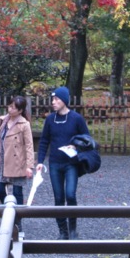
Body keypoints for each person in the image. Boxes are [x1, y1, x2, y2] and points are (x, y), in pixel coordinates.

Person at [36, 86, 90, 240]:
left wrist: (75, 146)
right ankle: (63, 231)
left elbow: (86, 138)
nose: (53, 102)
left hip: (71, 163)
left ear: (64, 101)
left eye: (56, 99)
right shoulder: (50, 119)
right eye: (53, 99)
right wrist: (40, 161)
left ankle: (73, 229)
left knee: (70, 195)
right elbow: (44, 141)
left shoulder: (76, 118)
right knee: (59, 198)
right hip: (54, 163)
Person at [0, 95, 35, 207]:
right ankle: (8, 209)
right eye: (9, 106)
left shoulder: (24, 124)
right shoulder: (3, 120)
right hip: (2, 160)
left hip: (17, 161)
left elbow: (29, 145)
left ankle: (17, 218)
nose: (10, 109)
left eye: (13, 108)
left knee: (17, 191)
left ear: (20, 111)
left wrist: (29, 166)